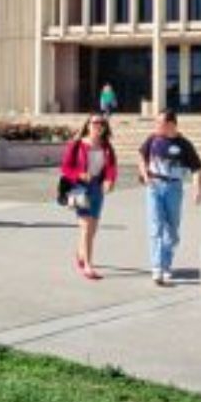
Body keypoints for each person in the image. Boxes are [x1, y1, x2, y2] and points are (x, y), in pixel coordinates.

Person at [137, 110, 201, 287]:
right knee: (156, 226)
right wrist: (145, 175)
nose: (156, 126)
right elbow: (141, 157)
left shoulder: (184, 144)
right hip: (154, 186)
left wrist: (197, 190)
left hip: (174, 188)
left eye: (159, 123)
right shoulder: (152, 139)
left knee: (172, 231)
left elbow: (196, 168)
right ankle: (157, 268)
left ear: (171, 124)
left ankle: (167, 264)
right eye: (156, 123)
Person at [58, 115, 117, 280]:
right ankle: (88, 266)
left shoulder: (106, 147)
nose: (98, 125)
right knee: (86, 226)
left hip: (97, 188)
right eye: (94, 123)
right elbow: (65, 168)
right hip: (80, 188)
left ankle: (80, 253)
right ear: (88, 125)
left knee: (93, 229)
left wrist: (109, 180)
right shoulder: (77, 144)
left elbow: (111, 167)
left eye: (101, 123)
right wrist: (80, 174)